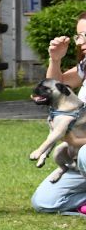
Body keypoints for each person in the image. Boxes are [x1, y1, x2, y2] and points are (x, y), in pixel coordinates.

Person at [31, 11, 86, 213]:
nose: (80, 42)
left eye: (85, 36)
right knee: (44, 202)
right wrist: (55, 60)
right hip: (78, 156)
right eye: (79, 36)